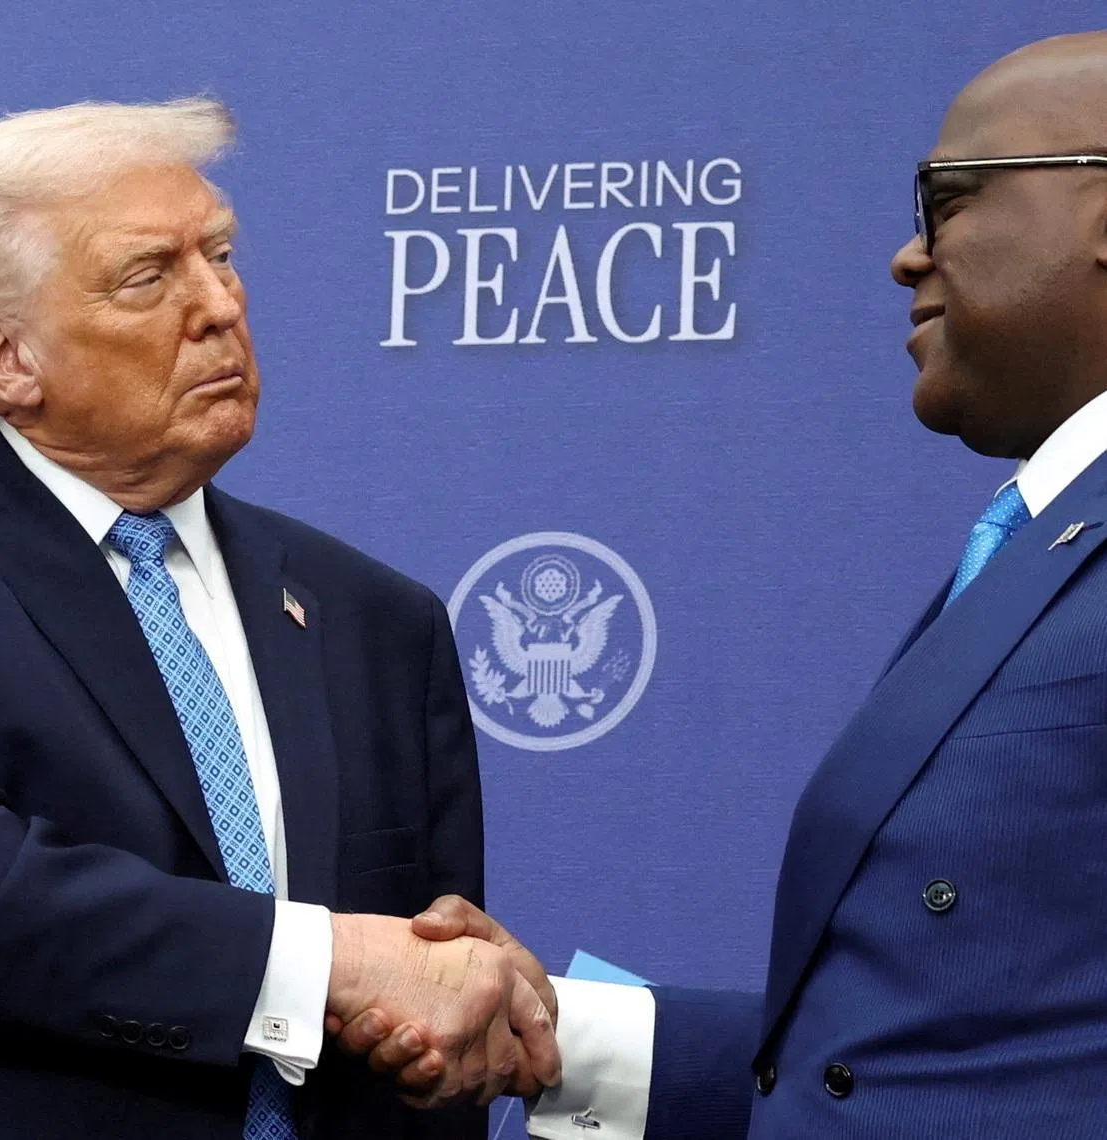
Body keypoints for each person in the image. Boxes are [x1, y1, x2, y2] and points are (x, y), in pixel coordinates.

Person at [337, 29, 1107, 1139]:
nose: (909, 255)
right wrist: (557, 1031)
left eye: (947, 199)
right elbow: (921, 1048)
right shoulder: (1032, 540)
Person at [0, 99, 558, 1140]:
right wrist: (328, 962)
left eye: (222, 255)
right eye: (148, 277)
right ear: (9, 359)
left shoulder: (379, 621)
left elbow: (431, 1002)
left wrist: (442, 1001)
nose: (219, 305)